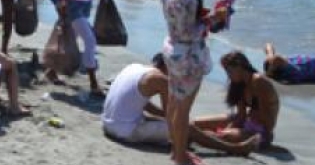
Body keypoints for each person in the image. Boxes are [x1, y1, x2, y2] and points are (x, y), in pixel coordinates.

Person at [103, 54, 258, 153]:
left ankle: (216, 139)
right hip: (125, 131)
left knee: (182, 126)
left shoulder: (134, 67)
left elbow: (141, 104)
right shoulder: (160, 79)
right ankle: (235, 148)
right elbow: (172, 119)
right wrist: (183, 124)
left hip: (109, 123)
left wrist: (163, 116)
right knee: (184, 129)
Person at [160, 0, 216, 165]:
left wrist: (202, 18)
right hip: (188, 55)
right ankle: (180, 156)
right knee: (183, 108)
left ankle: (177, 149)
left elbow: (180, 25)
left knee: (174, 102)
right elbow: (190, 31)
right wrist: (212, 19)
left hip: (172, 48)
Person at [193, 52, 280, 150]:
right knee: (196, 123)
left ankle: (193, 136)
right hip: (246, 121)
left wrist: (265, 136)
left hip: (261, 130)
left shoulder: (258, 81)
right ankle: (194, 135)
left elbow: (267, 118)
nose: (228, 75)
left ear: (239, 66)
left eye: (229, 71)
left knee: (222, 136)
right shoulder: (239, 84)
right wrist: (229, 128)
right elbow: (241, 116)